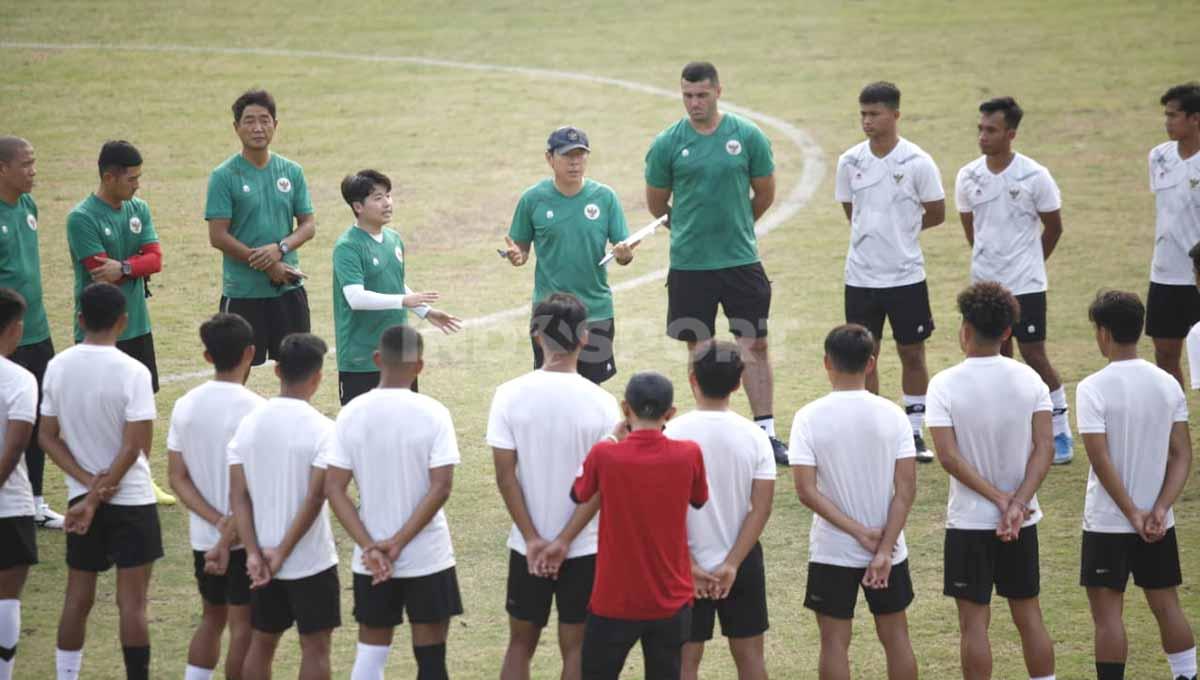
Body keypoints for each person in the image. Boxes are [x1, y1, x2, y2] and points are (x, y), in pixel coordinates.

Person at [644, 61, 787, 463]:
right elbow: (657, 203)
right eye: (687, 96)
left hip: (741, 261)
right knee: (700, 348)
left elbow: (764, 192)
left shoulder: (747, 136)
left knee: (754, 344)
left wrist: (738, 226)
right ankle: (708, 432)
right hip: (690, 265)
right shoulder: (667, 143)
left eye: (702, 95)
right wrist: (689, 231)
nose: (694, 103)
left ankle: (766, 432)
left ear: (718, 92)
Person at [486, 293, 620, 680]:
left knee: (519, 645)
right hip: (585, 547)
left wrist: (532, 538)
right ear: (584, 337)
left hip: (526, 546)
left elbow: (504, 476)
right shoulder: (604, 404)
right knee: (576, 647)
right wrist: (564, 541)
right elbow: (600, 486)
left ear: (535, 335)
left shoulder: (508, 395)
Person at [926, 281, 1056, 680]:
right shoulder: (1031, 380)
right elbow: (1045, 448)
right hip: (1022, 520)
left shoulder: (943, 384)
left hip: (969, 522)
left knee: (974, 625)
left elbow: (948, 456)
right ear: (1007, 332)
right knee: (1029, 616)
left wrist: (999, 500)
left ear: (965, 328)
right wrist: (1017, 503)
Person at [325, 324, 462, 680]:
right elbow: (441, 487)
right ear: (419, 365)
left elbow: (335, 489)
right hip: (427, 555)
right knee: (432, 662)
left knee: (370, 658)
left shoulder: (351, 413)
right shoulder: (435, 413)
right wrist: (399, 543)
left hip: (370, 561)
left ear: (376, 360)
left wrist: (370, 546)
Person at [39, 282, 161, 680]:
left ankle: (66, 676)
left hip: (79, 500)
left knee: (77, 598)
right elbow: (136, 446)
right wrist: (103, 490)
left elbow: (46, 435)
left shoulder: (58, 365)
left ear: (79, 320)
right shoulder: (133, 371)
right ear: (123, 322)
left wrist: (87, 486)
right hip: (133, 499)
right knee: (133, 604)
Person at [1076, 290, 1196, 680]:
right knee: (1167, 605)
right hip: (1159, 523)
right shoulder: (1167, 384)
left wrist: (1131, 512)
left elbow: (1100, 457)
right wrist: (1160, 509)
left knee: (1108, 615)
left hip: (1108, 522)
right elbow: (1182, 455)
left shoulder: (1092, 387)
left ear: (1104, 333)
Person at [790, 324, 918, 680]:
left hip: (832, 549)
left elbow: (806, 490)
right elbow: (906, 489)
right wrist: (883, 549)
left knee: (833, 642)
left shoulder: (808, 417)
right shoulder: (893, 415)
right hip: (890, 548)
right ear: (872, 362)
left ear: (826, 362)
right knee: (896, 638)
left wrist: (858, 533)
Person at [954, 97, 1073, 464]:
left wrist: (1029, 263)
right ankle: (1011, 428)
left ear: (1011, 133)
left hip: (1027, 284)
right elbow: (971, 228)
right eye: (980, 129)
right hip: (985, 285)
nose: (983, 136)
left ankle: (1060, 428)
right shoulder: (967, 175)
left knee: (1034, 353)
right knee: (995, 355)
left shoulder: (1035, 176)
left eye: (991, 130)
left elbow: (1053, 227)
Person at [835, 81, 946, 462]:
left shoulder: (918, 162)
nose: (867, 121)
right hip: (861, 278)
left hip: (905, 277)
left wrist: (900, 233)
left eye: (874, 114)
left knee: (912, 352)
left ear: (895, 115)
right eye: (863, 114)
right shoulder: (849, 162)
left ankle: (913, 432)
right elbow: (851, 211)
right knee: (866, 355)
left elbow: (936, 212)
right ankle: (875, 432)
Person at [572, 371, 709, 680]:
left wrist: (611, 438)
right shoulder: (689, 453)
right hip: (671, 599)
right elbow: (699, 500)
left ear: (625, 408)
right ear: (670, 413)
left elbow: (577, 492)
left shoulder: (605, 453)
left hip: (614, 600)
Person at [65, 140, 174, 506]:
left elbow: (155, 259)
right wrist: (131, 264)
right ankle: (99, 479)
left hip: (137, 325)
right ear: (109, 177)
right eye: (131, 178)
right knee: (102, 409)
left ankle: (142, 477)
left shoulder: (137, 208)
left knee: (141, 405)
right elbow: (99, 271)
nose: (137, 185)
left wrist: (126, 267)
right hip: (98, 333)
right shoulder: (82, 218)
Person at [228, 333, 339, 680]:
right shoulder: (324, 429)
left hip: (260, 558)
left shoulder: (249, 423)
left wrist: (253, 554)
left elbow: (239, 497)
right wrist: (284, 551)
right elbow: (316, 497)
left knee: (262, 643)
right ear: (318, 377)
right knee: (316, 647)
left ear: (276, 371)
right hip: (311, 560)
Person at [664, 340, 774, 680]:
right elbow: (761, 508)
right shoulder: (755, 436)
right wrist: (732, 563)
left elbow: (663, 511)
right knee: (751, 658)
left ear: (692, 379)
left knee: (683, 661)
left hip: (682, 564)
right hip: (741, 560)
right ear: (739, 383)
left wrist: (689, 564)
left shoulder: (671, 434)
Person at [166, 313, 263, 680]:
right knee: (244, 626)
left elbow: (177, 478)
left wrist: (215, 522)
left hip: (203, 539)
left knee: (211, 618)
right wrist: (230, 529)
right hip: (245, 540)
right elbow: (254, 487)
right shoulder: (257, 409)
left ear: (208, 356)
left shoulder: (185, 405)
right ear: (250, 353)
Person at [503, 126, 634, 385]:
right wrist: (517, 256)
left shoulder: (605, 198)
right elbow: (521, 251)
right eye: (566, 156)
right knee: (550, 387)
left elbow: (624, 253)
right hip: (549, 312)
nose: (575, 162)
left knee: (592, 388)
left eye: (580, 155)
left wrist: (624, 254)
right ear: (549, 158)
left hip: (595, 311)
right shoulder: (532, 200)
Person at [206, 89, 315, 367]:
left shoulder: (292, 171)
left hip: (288, 290)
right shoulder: (223, 176)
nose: (258, 128)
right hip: (243, 292)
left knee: (297, 368)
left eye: (265, 120)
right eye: (249, 121)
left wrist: (280, 249)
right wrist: (267, 265)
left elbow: (308, 225)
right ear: (236, 127)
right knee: (236, 368)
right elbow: (218, 236)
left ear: (275, 125)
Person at [333, 169, 460, 404]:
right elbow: (355, 297)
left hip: (400, 354)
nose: (387, 203)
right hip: (361, 358)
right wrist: (402, 301)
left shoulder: (393, 239)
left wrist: (426, 311)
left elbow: (394, 283)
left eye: (388, 196)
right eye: (378, 198)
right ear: (358, 206)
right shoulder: (347, 247)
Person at [0, 136, 62, 529]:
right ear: (2, 169)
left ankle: (36, 502)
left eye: (34, 163)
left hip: (36, 329)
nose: (33, 171)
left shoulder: (28, 206)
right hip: (7, 336)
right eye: (25, 164)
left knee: (41, 415)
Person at [1146, 82, 1200, 387]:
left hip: (1198, 276)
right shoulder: (1159, 157)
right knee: (1165, 355)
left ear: (1195, 118)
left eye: (1174, 115)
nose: (1167, 122)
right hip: (1165, 274)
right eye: (1165, 115)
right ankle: (1178, 423)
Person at [0, 288, 38, 680]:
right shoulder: (19, 380)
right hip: (9, 504)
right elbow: (15, 446)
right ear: (14, 328)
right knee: (7, 598)